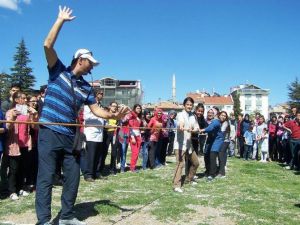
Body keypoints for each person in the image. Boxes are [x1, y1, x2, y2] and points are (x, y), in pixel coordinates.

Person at [36, 6, 129, 225]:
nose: (92, 67)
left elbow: (97, 111)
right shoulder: (57, 70)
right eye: (90, 63)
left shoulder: (87, 88)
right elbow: (47, 45)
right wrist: (60, 20)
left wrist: (116, 116)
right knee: (46, 178)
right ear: (80, 59)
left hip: (70, 136)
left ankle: (66, 217)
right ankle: (44, 220)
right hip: (49, 131)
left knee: (73, 178)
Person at [173, 97, 199, 193]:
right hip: (179, 144)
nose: (189, 106)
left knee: (196, 162)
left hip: (188, 144)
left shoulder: (193, 116)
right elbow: (181, 123)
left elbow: (196, 127)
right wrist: (181, 126)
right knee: (180, 164)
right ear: (184, 105)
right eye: (187, 104)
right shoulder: (180, 115)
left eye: (191, 105)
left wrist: (195, 129)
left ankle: (189, 178)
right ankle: (176, 185)